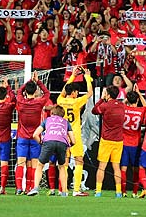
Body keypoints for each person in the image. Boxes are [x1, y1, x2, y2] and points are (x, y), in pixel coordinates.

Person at [56, 67, 93, 196]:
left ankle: (63, 189)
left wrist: (72, 76)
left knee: (64, 162)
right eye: (76, 92)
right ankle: (76, 190)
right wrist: (87, 78)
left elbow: (62, 92)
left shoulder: (60, 101)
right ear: (73, 93)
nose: (77, 94)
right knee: (78, 160)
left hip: (62, 135)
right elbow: (89, 93)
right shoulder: (76, 102)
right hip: (74, 135)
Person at [15, 71, 50, 195]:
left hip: (22, 137)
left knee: (21, 162)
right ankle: (30, 188)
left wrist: (28, 82)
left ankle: (19, 188)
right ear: (35, 92)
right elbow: (47, 93)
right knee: (33, 163)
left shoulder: (21, 101)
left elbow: (19, 92)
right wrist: (37, 81)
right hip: (35, 137)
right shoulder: (39, 103)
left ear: (26, 92)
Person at [28, 105, 76, 197]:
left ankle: (35, 188)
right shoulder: (66, 122)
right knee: (62, 167)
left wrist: (41, 143)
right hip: (62, 143)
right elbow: (73, 140)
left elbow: (35, 135)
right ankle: (64, 192)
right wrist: (68, 146)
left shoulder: (47, 120)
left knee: (40, 165)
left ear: (52, 113)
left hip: (48, 142)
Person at [92, 85, 125, 198]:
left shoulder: (105, 106)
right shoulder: (122, 106)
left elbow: (94, 110)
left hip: (106, 140)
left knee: (102, 166)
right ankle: (118, 192)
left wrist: (102, 98)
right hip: (118, 140)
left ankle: (98, 191)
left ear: (108, 94)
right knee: (116, 167)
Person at [121, 88, 146, 198]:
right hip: (135, 143)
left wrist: (126, 100)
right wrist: (140, 94)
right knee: (135, 169)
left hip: (123, 142)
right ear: (137, 101)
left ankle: (123, 192)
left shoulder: (123, 108)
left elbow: (120, 104)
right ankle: (135, 192)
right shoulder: (141, 110)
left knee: (123, 168)